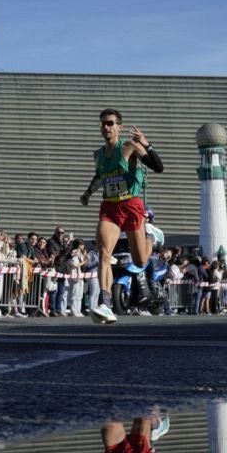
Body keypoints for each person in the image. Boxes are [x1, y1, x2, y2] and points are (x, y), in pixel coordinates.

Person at [79, 108, 165, 323]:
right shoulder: (98, 154)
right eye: (103, 124)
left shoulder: (129, 146)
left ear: (119, 126)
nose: (106, 128)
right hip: (109, 206)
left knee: (140, 259)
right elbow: (100, 176)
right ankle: (106, 304)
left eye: (110, 123)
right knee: (104, 252)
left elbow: (158, 167)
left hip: (131, 204)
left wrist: (147, 144)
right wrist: (88, 193)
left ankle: (149, 239)